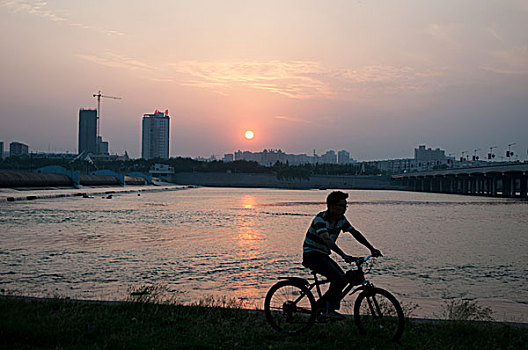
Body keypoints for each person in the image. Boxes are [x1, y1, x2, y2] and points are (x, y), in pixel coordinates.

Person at [302, 191, 382, 318]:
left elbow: (354, 233)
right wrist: (343, 255)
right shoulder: (320, 219)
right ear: (332, 206)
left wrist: (371, 249)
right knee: (339, 278)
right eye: (342, 206)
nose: (345, 209)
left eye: (346, 206)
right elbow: (327, 240)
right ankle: (329, 310)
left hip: (323, 255)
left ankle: (321, 307)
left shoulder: (341, 220)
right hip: (312, 255)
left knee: (342, 278)